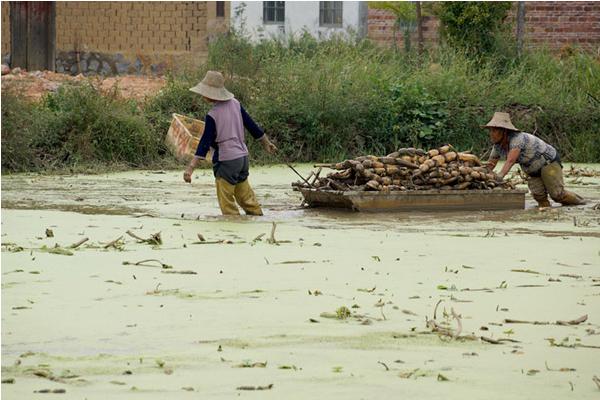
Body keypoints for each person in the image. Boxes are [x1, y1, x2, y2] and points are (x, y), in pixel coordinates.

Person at [183, 71, 277, 215]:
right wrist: (266, 143)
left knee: (227, 205)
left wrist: (190, 168)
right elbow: (252, 126)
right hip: (242, 159)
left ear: (210, 94)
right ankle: (257, 217)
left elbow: (204, 144)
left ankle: (232, 228)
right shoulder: (235, 104)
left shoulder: (212, 116)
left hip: (226, 162)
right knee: (247, 199)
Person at [483, 112, 585, 208]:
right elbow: (490, 164)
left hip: (547, 163)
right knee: (539, 196)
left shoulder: (517, 139)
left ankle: (582, 204)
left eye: (494, 130)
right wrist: (482, 173)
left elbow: (510, 160)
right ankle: (547, 214)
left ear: (504, 131)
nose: (491, 133)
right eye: (490, 130)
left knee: (558, 195)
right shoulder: (497, 146)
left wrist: (500, 176)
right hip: (531, 169)